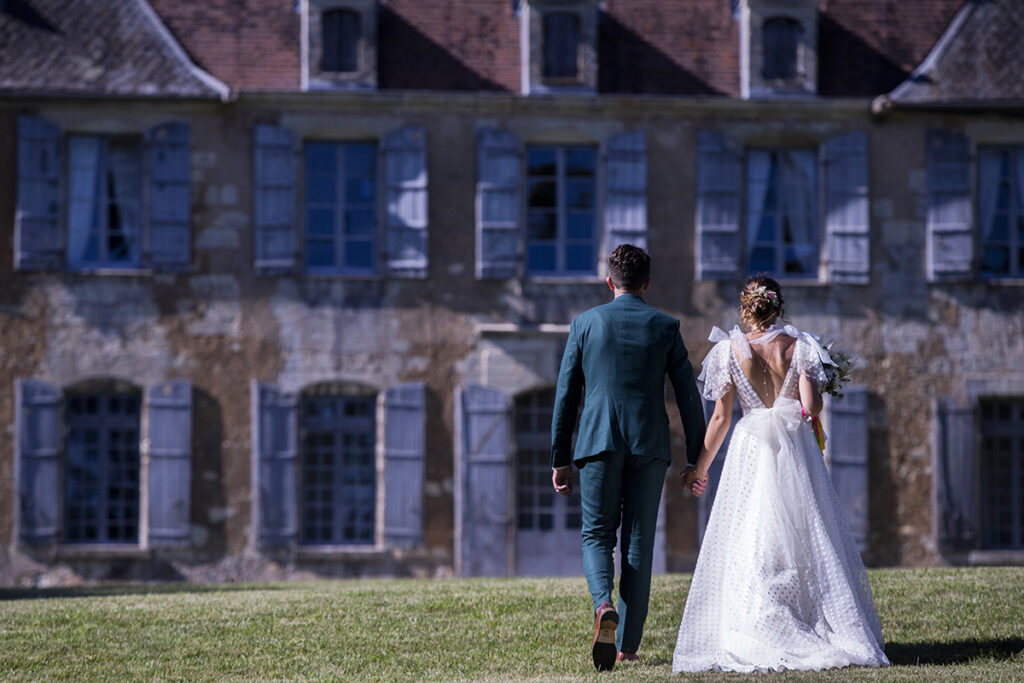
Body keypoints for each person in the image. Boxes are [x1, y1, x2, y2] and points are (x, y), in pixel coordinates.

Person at [672, 275, 890, 673]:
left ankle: (760, 617)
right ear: (778, 306)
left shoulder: (728, 351)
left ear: (745, 307)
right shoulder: (801, 346)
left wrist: (697, 468)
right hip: (793, 447)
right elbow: (811, 409)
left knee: (753, 532)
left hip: (752, 446)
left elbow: (720, 418)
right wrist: (812, 396)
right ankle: (808, 618)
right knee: (805, 532)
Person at [551, 244, 707, 671]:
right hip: (650, 445)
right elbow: (688, 396)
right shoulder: (665, 326)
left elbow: (566, 396)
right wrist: (696, 458)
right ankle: (628, 645)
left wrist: (559, 458)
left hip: (597, 443)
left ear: (609, 281)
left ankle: (603, 604)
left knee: (596, 535)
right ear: (647, 283)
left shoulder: (584, 324)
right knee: (638, 542)